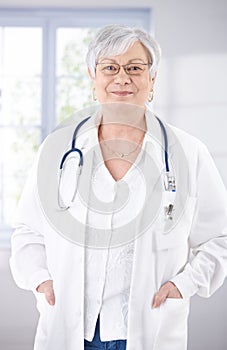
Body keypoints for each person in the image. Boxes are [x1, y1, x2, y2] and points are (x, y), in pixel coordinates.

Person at [10, 24, 227, 350]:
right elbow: (28, 230)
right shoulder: (57, 149)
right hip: (70, 327)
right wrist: (41, 280)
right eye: (109, 67)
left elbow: (219, 238)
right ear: (92, 77)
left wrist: (184, 285)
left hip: (149, 325)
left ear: (152, 79)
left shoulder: (188, 152)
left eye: (135, 68)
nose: (122, 77)